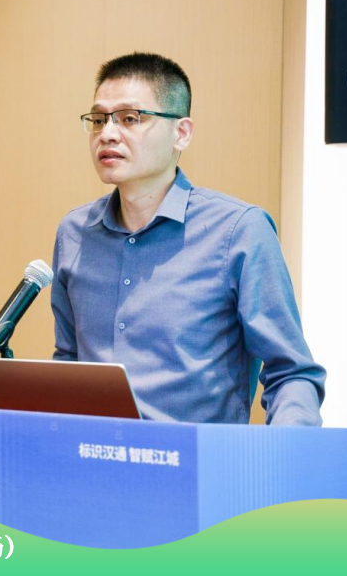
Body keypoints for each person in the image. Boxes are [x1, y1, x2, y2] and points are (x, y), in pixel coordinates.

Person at [50, 52, 325, 425]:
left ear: (181, 133)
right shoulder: (75, 232)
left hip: (199, 458)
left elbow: (291, 371)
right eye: (98, 119)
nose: (108, 134)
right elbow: (68, 363)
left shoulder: (238, 230)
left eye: (130, 118)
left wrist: (287, 448)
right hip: (95, 455)